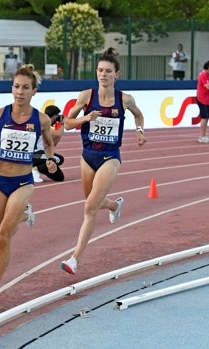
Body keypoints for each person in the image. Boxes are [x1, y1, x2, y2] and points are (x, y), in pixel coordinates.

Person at [0, 64, 57, 314]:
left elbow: (50, 145)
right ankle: (23, 214)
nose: (19, 92)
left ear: (34, 92)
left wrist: (50, 160)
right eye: (16, 86)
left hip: (23, 182)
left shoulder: (41, 118)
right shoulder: (0, 114)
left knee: (3, 237)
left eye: (25, 88)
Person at [60, 47, 147, 275]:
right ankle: (115, 205)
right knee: (93, 201)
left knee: (89, 208)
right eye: (100, 70)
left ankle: (74, 259)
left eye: (108, 71)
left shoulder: (125, 99)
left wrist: (139, 130)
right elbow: (66, 123)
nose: (103, 74)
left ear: (116, 74)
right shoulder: (86, 96)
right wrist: (85, 118)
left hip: (110, 157)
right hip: (88, 156)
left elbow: (139, 114)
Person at [32, 105, 65, 182]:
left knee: (59, 177)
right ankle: (34, 169)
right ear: (54, 116)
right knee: (58, 158)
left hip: (40, 155)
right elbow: (58, 133)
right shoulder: (43, 124)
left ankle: (37, 168)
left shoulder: (46, 126)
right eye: (57, 117)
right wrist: (63, 123)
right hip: (33, 155)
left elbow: (53, 144)